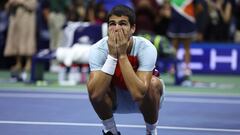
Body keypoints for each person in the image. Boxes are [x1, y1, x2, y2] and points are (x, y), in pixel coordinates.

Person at [87, 5, 165, 135]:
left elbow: (138, 94)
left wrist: (122, 55)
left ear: (132, 28)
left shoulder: (146, 48)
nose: (117, 28)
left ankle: (151, 131)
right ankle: (110, 131)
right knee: (93, 84)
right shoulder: (98, 49)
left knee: (153, 83)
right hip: (114, 98)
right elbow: (95, 95)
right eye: (112, 24)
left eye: (122, 23)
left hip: (146, 101)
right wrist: (112, 56)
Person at [167, 0, 203, 77]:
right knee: (174, 47)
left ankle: (187, 68)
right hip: (175, 22)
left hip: (187, 21)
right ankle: (173, 67)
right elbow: (167, 5)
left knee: (186, 46)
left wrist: (190, 15)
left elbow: (200, 7)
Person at [4, 0, 37, 81]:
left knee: (27, 40)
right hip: (15, 19)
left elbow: (34, 5)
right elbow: (6, 8)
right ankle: (18, 63)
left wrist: (21, 2)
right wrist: (10, 3)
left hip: (27, 19)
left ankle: (28, 63)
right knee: (15, 41)